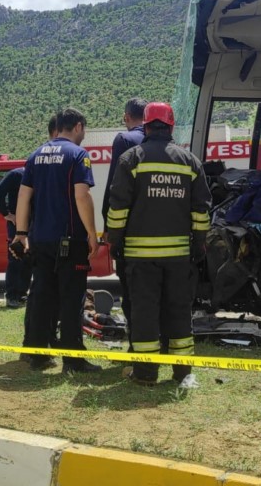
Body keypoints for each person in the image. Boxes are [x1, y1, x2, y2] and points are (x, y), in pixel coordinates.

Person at [106, 102, 211, 386]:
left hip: (140, 258)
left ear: (147, 126)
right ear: (171, 126)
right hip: (179, 257)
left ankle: (146, 373)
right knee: (179, 312)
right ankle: (182, 373)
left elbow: (118, 209)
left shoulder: (131, 159)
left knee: (144, 312)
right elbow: (201, 211)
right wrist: (199, 245)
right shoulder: (189, 161)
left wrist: (114, 242)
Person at [11, 108, 101, 374]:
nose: (83, 135)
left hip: (40, 240)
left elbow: (23, 197)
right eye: (83, 130)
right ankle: (73, 360)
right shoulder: (77, 155)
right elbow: (82, 196)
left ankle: (37, 356)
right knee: (72, 298)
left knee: (42, 296)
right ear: (77, 125)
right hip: (69, 240)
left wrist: (21, 233)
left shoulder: (35, 155)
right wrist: (92, 234)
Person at [101, 97, 146, 345]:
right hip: (162, 229)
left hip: (130, 230)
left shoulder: (125, 140)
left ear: (127, 116)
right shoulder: (168, 145)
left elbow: (114, 185)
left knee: (130, 288)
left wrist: (107, 224)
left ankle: (135, 341)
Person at [0, 166, 27, 309]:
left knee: (29, 259)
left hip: (34, 222)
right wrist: (6, 214)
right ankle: (12, 296)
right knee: (16, 257)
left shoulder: (41, 174)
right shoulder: (16, 175)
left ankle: (22, 294)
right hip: (16, 223)